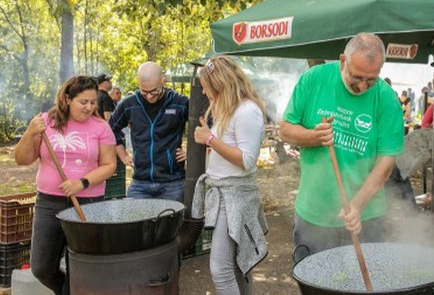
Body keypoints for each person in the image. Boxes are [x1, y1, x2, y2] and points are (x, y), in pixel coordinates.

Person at [279, 33, 404, 262]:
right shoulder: (314, 79)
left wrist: (357, 205)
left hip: (366, 216)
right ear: (343, 61)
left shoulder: (386, 99)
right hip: (314, 212)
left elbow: (386, 162)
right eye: (357, 77)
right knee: (315, 283)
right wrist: (313, 136)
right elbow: (285, 129)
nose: (363, 86)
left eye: (371, 79)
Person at [14, 76, 117, 295]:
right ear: (68, 99)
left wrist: (82, 183)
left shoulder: (101, 128)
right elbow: (22, 159)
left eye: (93, 102)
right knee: (41, 266)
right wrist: (30, 131)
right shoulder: (46, 122)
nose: (89, 107)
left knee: (80, 266)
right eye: (83, 102)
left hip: (88, 203)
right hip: (48, 202)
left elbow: (109, 166)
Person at [191, 55, 268, 294]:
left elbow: (246, 160)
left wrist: (211, 140)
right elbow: (231, 151)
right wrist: (213, 143)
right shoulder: (230, 110)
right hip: (224, 193)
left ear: (219, 84)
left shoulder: (247, 111)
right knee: (238, 266)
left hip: (235, 196)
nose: (203, 92)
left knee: (220, 268)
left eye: (206, 86)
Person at [109, 61, 189, 202]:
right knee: (135, 222)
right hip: (140, 182)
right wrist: (122, 154)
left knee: (172, 223)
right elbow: (110, 129)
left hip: (173, 182)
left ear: (163, 81)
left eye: (154, 91)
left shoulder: (180, 103)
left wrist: (191, 153)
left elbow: (207, 126)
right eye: (144, 92)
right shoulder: (129, 105)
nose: (150, 96)